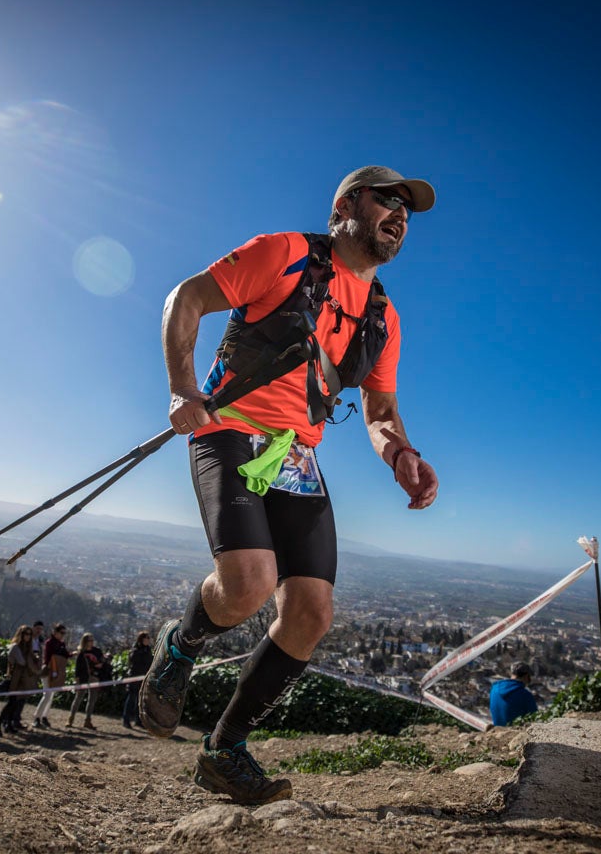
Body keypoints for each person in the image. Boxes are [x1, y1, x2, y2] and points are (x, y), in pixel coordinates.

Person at [141, 166, 440, 805]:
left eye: (408, 210)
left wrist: (402, 456)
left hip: (297, 454)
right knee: (247, 586)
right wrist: (182, 389)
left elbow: (381, 412)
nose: (400, 215)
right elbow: (184, 299)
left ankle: (224, 749)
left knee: (311, 614)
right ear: (347, 206)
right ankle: (182, 644)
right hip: (229, 428)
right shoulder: (284, 253)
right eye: (388, 200)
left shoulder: (383, 317)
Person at [0, 624, 42, 733]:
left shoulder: (27, 648)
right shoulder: (15, 647)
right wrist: (30, 659)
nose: (28, 636)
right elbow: (21, 662)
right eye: (25, 634)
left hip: (23, 680)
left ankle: (9, 724)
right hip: (14, 679)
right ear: (21, 634)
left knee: (16, 704)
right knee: (11, 703)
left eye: (29, 634)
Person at [33, 622, 69, 728]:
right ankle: (37, 717)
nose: (62, 635)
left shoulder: (61, 644)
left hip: (56, 671)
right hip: (48, 670)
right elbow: (50, 656)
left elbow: (66, 655)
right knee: (47, 695)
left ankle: (44, 716)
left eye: (64, 633)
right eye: (61, 632)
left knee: (51, 696)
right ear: (55, 632)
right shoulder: (50, 643)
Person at [67, 632, 106, 730]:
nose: (92, 642)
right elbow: (77, 668)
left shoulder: (97, 651)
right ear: (85, 641)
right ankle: (71, 719)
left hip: (94, 677)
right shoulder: (81, 653)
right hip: (83, 678)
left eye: (92, 640)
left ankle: (88, 720)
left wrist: (101, 664)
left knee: (92, 699)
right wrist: (77, 680)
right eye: (90, 640)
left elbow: (102, 661)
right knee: (78, 698)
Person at [489, 661, 539, 727]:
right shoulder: (525, 695)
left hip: (498, 730)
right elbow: (535, 718)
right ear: (526, 676)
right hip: (516, 731)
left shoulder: (494, 689)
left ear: (512, 673)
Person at [122, 631, 152, 729]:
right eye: (146, 638)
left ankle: (138, 720)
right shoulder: (135, 649)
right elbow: (133, 661)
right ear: (141, 639)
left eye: (149, 638)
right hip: (134, 678)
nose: (148, 640)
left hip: (143, 679)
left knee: (140, 700)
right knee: (131, 699)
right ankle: (126, 720)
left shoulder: (148, 650)